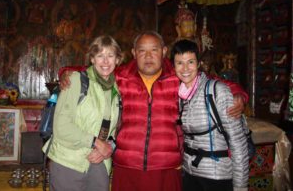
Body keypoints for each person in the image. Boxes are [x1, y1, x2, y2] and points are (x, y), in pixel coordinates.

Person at [58, 31, 248, 191]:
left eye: (154, 50)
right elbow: (93, 70)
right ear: (133, 53)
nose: (148, 57)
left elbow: (214, 82)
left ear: (164, 52)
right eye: (142, 51)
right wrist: (65, 72)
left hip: (166, 167)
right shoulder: (121, 76)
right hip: (127, 166)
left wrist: (238, 94)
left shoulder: (178, 76)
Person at [42, 35, 122, 191]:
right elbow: (61, 127)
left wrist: (108, 147)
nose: (105, 61)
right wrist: (96, 143)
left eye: (110, 56)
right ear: (92, 59)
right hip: (68, 160)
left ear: (117, 60)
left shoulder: (117, 89)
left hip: (99, 162)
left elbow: (115, 129)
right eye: (100, 56)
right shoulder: (76, 81)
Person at [170, 39, 249, 191]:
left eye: (191, 62)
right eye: (180, 63)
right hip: (190, 173)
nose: (185, 68)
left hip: (216, 175)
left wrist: (240, 186)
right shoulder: (181, 95)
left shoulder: (217, 90)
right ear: (173, 66)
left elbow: (238, 143)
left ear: (199, 63)